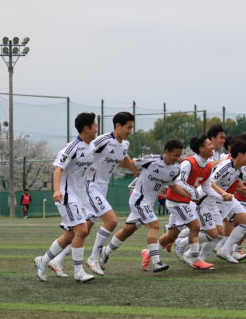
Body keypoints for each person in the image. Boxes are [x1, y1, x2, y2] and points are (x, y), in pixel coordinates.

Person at [100, 140, 195, 273]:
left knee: (127, 230)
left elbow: (172, 185)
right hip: (138, 200)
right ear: (166, 152)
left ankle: (105, 251)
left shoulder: (175, 169)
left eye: (179, 155)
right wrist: (131, 170)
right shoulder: (151, 160)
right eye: (175, 155)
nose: (177, 158)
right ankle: (156, 262)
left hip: (148, 203)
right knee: (154, 225)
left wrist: (189, 196)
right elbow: (129, 163)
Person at [33, 112, 97, 283]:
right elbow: (58, 169)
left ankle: (43, 261)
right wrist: (56, 191)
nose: (97, 129)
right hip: (67, 196)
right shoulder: (71, 148)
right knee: (82, 230)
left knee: (69, 235)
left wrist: (90, 168)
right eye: (95, 126)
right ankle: (78, 271)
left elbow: (81, 165)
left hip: (80, 196)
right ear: (86, 128)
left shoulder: (91, 146)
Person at [83, 112, 140, 275]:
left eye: (132, 127)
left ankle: (53, 259)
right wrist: (85, 165)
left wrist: (137, 172)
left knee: (84, 228)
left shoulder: (124, 144)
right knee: (111, 221)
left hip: (103, 187)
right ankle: (93, 258)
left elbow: (124, 158)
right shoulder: (103, 140)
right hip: (90, 185)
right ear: (118, 126)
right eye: (128, 127)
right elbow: (83, 150)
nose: (130, 131)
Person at [157, 134, 215, 270]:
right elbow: (179, 181)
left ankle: (148, 253)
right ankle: (195, 259)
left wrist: (223, 196)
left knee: (171, 236)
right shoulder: (188, 163)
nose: (212, 146)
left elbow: (207, 187)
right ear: (201, 149)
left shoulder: (208, 166)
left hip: (186, 202)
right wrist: (193, 192)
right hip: (176, 201)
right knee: (195, 226)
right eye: (209, 144)